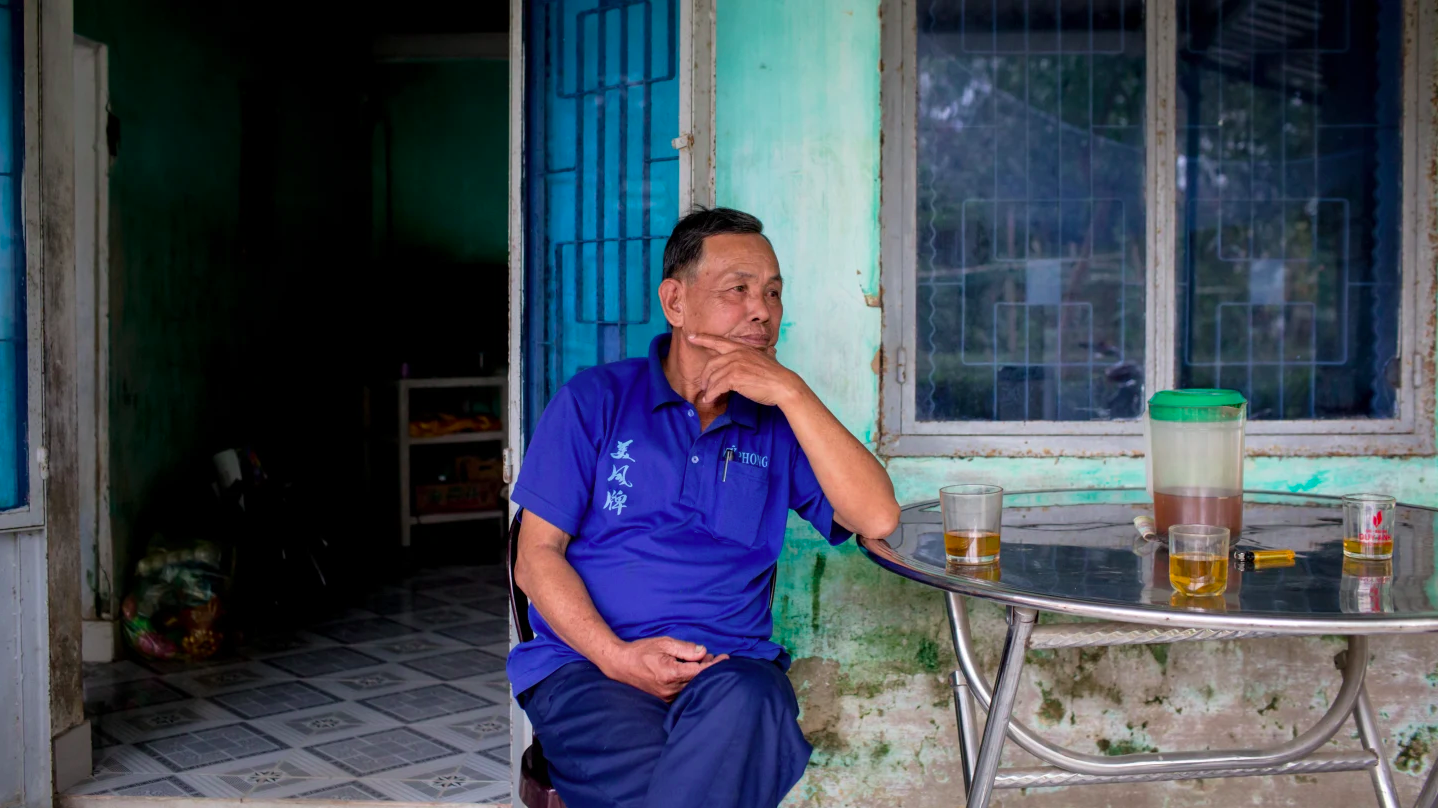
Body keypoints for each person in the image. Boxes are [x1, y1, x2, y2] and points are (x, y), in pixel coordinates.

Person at [509, 207, 900, 808]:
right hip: (590, 668)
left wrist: (792, 391)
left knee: (748, 708)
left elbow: (877, 519)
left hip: (731, 674)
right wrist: (618, 657)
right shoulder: (594, 401)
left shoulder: (779, 422)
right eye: (737, 290)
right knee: (694, 780)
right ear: (675, 302)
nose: (762, 310)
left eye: (772, 293)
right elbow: (535, 558)